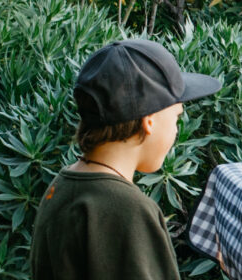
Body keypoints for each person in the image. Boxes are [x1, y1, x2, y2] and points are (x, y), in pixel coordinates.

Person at [30, 39, 223, 280]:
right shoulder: (128, 211)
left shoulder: (62, 185)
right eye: (176, 117)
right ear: (149, 120)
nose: (176, 130)